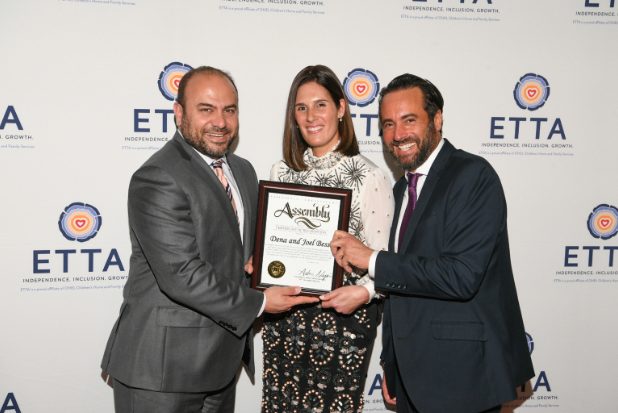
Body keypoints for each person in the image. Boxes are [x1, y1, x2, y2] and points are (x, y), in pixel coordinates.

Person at [100, 66, 317, 413]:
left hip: (220, 365)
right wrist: (260, 302)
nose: (220, 122)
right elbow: (181, 274)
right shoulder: (158, 176)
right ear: (179, 113)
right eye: (206, 109)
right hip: (162, 371)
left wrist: (268, 264)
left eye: (229, 110)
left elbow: (239, 252)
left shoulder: (242, 170)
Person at [330, 73, 534, 413]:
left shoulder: (473, 175)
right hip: (411, 378)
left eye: (409, 120)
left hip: (463, 376)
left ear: (437, 119)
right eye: (388, 124)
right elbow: (399, 289)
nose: (398, 134)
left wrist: (372, 259)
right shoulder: (400, 190)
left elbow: (461, 276)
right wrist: (391, 362)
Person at [261, 65, 394, 413]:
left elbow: (386, 263)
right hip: (285, 319)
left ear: (341, 108)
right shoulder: (281, 172)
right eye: (301, 107)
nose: (311, 116)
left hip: (342, 320)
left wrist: (363, 294)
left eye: (321, 105)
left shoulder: (369, 177)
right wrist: (260, 261)